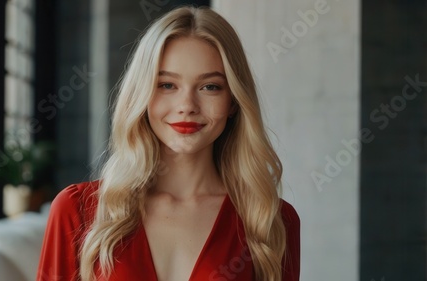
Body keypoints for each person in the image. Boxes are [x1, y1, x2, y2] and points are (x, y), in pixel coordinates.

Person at [37, 5, 300, 281]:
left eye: (210, 86)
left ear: (233, 101)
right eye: (167, 85)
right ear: (142, 94)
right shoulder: (76, 211)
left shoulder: (272, 222)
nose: (187, 105)